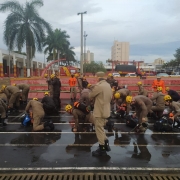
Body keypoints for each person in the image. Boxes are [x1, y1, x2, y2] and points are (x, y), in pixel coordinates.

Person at [89, 71, 113, 156]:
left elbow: (90, 95)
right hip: (106, 110)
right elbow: (110, 97)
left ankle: (102, 148)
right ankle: (106, 144)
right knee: (101, 128)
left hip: (99, 111)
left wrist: (92, 88)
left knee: (98, 129)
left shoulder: (99, 86)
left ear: (97, 77)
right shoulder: (108, 85)